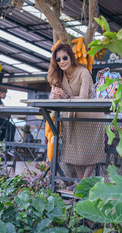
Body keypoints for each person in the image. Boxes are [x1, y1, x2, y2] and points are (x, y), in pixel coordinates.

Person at [48, 43, 105, 191]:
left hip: (90, 116)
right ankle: (83, 184)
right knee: (72, 153)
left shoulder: (83, 72)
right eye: (58, 59)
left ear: (71, 57)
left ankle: (82, 184)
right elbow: (57, 95)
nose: (62, 61)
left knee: (92, 151)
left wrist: (65, 96)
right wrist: (54, 95)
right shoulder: (60, 75)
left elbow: (84, 97)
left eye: (64, 57)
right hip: (72, 117)